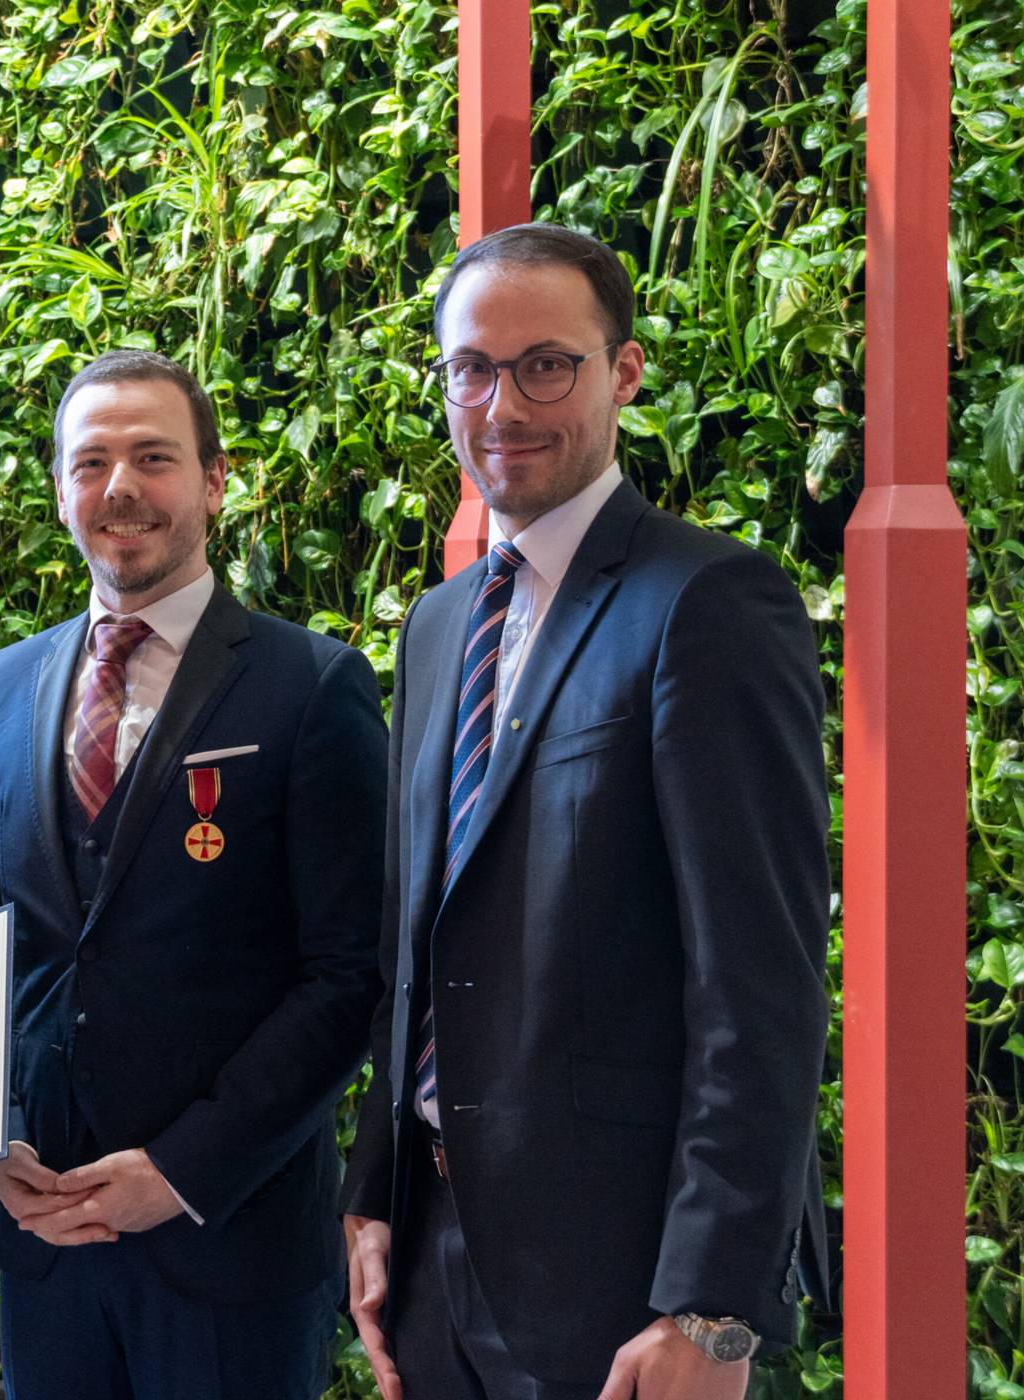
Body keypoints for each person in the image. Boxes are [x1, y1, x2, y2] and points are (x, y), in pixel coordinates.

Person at [338, 223, 831, 1400]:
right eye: (471, 367)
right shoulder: (437, 624)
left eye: (545, 363)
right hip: (431, 1265)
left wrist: (710, 1309)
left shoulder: (709, 601)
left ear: (625, 372)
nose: (503, 404)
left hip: (619, 1286)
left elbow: (759, 982)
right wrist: (372, 1188)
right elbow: (415, 945)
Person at [0, 349, 387, 1399]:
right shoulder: (0, 686)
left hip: (230, 1242)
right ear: (60, 490)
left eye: (153, 456)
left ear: (215, 479)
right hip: (42, 1232)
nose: (120, 487)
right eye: (90, 462)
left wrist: (182, 1171)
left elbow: (347, 972)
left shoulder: (313, 685)